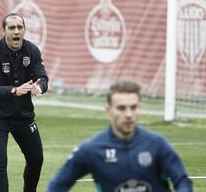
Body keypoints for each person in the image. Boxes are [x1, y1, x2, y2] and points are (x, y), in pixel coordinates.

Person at [47, 80, 193, 192]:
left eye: (133, 107)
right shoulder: (91, 150)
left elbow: (182, 181)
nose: (129, 114)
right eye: (121, 108)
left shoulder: (157, 144)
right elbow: (57, 186)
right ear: (109, 110)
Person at [0, 13, 49, 192]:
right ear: (4, 31)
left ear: (24, 30)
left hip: (23, 116)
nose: (16, 31)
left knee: (36, 159)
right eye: (11, 28)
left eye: (20, 27)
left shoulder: (32, 51)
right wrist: (13, 90)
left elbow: (42, 77)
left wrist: (39, 87)